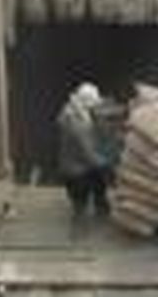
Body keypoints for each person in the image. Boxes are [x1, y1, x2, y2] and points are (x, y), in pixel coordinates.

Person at [57, 82, 112, 218]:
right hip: (76, 172)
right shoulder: (76, 123)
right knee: (80, 206)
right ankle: (78, 232)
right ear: (86, 102)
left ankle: (101, 211)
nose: (95, 106)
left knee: (100, 185)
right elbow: (88, 153)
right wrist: (108, 163)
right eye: (93, 103)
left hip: (78, 166)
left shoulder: (72, 110)